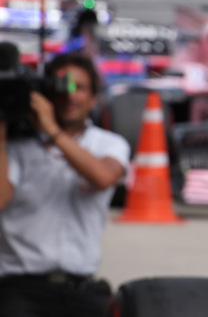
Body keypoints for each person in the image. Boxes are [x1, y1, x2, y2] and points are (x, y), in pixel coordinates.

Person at [0, 52, 130, 317]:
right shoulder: (16, 148)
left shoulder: (108, 144)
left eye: (79, 88)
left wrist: (52, 132)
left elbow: (103, 177)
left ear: (94, 98)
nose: (70, 95)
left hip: (82, 288)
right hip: (19, 288)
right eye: (62, 86)